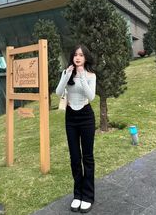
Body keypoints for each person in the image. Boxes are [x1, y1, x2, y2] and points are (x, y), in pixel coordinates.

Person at [56, 44, 96, 213]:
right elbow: (59, 92)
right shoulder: (67, 73)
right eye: (75, 55)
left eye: (81, 55)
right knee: (74, 157)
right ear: (72, 57)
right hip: (71, 117)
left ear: (85, 57)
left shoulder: (90, 75)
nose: (78, 57)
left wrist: (81, 76)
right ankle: (77, 195)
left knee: (87, 157)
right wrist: (67, 76)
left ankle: (88, 196)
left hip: (86, 116)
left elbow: (91, 96)